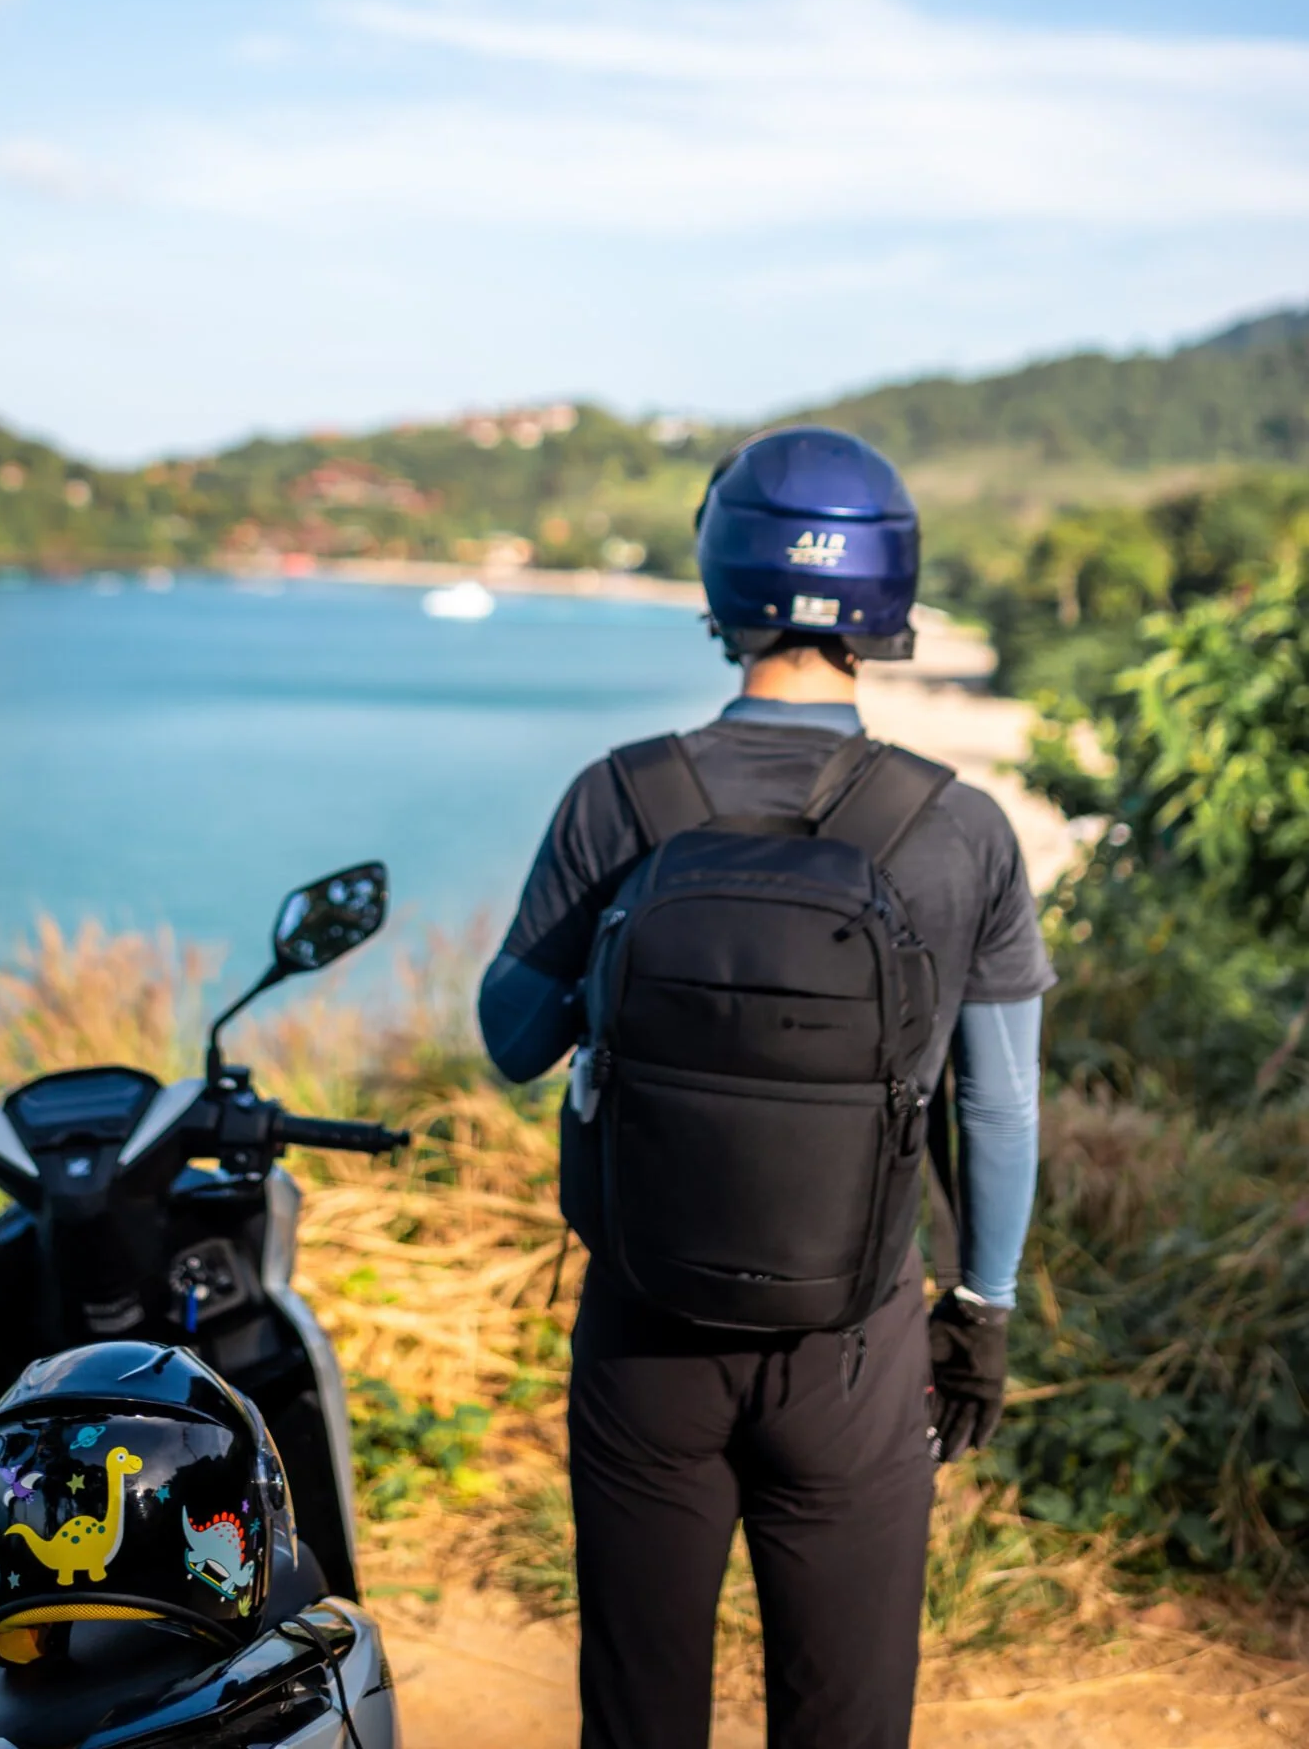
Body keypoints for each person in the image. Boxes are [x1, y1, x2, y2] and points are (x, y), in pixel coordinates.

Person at [479, 427, 1051, 1749]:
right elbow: (998, 1109)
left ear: (721, 579)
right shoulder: (953, 827)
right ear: (887, 596)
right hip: (855, 1349)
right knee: (844, 1719)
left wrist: (613, 973)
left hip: (643, 1333)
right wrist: (983, 1310)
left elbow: (507, 1037)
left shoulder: (622, 797)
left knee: (639, 1710)